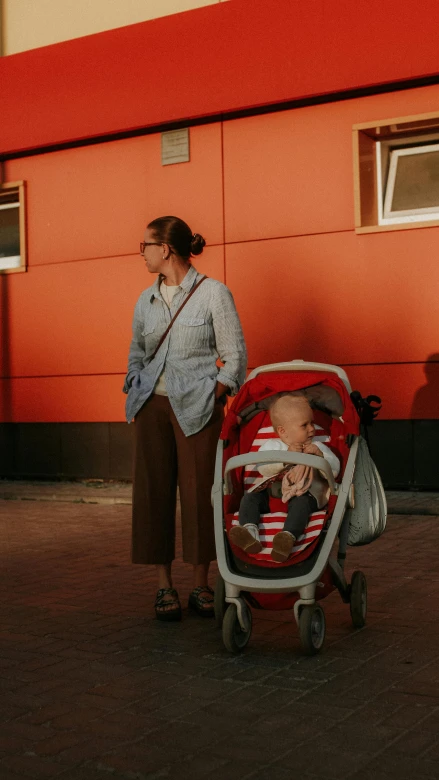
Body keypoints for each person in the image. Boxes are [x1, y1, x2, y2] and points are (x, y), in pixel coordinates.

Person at [124, 215, 247, 621]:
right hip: (152, 408)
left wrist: (215, 395)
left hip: (199, 408)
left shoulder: (214, 294)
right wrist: (134, 381)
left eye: (146, 245)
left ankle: (201, 584)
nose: (141, 252)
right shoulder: (146, 300)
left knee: (200, 495)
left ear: (167, 250)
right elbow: (136, 352)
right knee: (153, 492)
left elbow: (235, 357)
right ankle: (164, 586)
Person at [228, 393, 340, 562]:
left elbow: (334, 470)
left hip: (304, 493)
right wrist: (285, 457)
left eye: (312, 423)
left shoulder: (317, 446)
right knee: (250, 498)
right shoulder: (272, 447)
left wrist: (321, 458)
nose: (312, 429)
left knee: (301, 504)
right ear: (283, 431)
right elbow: (264, 468)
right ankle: (249, 532)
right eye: (304, 425)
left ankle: (287, 538)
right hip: (273, 492)